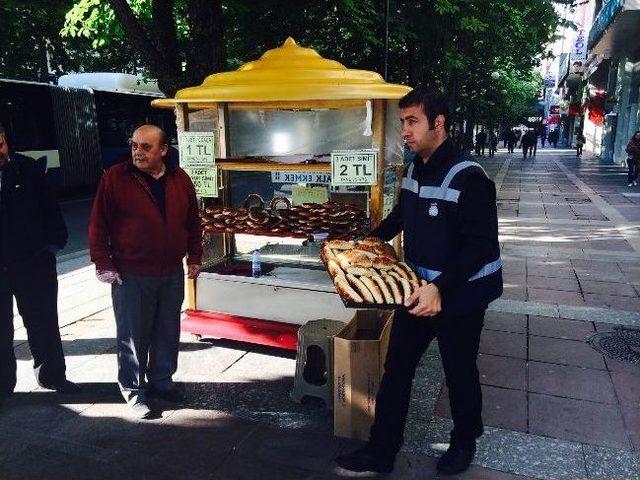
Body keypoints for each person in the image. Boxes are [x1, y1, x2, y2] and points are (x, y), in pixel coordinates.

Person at [335, 89, 502, 476]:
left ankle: (463, 441)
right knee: (397, 368)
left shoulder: (470, 177)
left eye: (412, 121)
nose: (405, 131)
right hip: (420, 287)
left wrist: (440, 289)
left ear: (438, 123)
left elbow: (479, 247)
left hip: (462, 292)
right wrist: (366, 242)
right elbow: (402, 215)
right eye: (403, 122)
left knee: (459, 369)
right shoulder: (415, 167)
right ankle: (381, 451)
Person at [89, 125, 203, 419]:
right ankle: (134, 391)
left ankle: (162, 382)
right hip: (131, 273)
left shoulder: (180, 178)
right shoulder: (116, 177)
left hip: (170, 272)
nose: (137, 152)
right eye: (134, 146)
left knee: (167, 331)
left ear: (163, 150)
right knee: (133, 335)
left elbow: (192, 221)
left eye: (145, 147)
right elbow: (98, 224)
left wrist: (195, 256)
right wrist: (103, 262)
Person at [0, 124, 80, 406]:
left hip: (33, 262)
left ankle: (53, 376)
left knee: (43, 322)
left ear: (6, 141)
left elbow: (50, 210)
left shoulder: (28, 169)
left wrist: (51, 248)